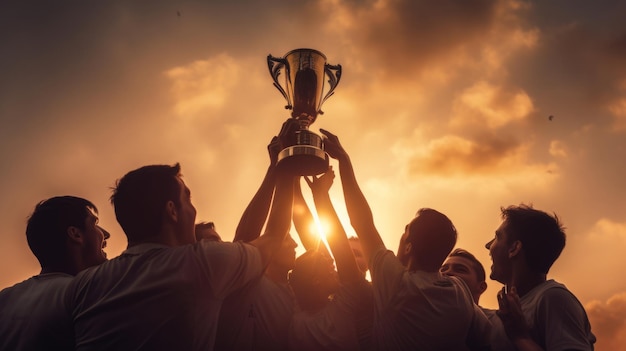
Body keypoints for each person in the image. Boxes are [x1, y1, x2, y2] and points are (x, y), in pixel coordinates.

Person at [66, 146, 295, 349]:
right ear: (172, 211)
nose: (194, 211)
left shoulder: (83, 285)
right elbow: (273, 236)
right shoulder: (198, 264)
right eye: (188, 200)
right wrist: (288, 162)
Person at [320, 129, 491, 351]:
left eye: (406, 230)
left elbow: (362, 222)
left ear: (408, 246)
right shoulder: (460, 291)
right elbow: (485, 340)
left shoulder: (396, 283)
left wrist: (344, 159)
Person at [215, 136, 305, 351]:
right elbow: (245, 238)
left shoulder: (305, 290)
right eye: (287, 239)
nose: (296, 246)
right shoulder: (251, 284)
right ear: (267, 248)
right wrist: (280, 166)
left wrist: (296, 181)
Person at [0, 196, 110, 350]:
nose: (106, 234)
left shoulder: (5, 298)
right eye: (95, 223)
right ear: (75, 234)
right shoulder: (86, 293)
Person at [485, 204, 596, 351]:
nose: (488, 245)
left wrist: (521, 337)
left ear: (514, 248)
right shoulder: (505, 314)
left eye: (497, 237)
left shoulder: (553, 298)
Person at [287, 167, 374, 351]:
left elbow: (339, 249)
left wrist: (317, 193)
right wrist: (295, 180)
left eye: (356, 254)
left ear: (367, 264)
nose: (336, 261)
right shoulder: (325, 298)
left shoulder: (368, 293)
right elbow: (308, 232)